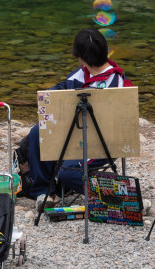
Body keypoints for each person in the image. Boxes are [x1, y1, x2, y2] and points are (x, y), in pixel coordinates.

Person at [17, 28, 133, 210]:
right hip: (74, 134)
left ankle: (123, 198)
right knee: (37, 132)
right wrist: (52, 94)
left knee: (69, 173)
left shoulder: (117, 82)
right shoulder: (79, 74)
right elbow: (63, 87)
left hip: (101, 143)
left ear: (81, 57)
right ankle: (45, 192)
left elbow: (123, 124)